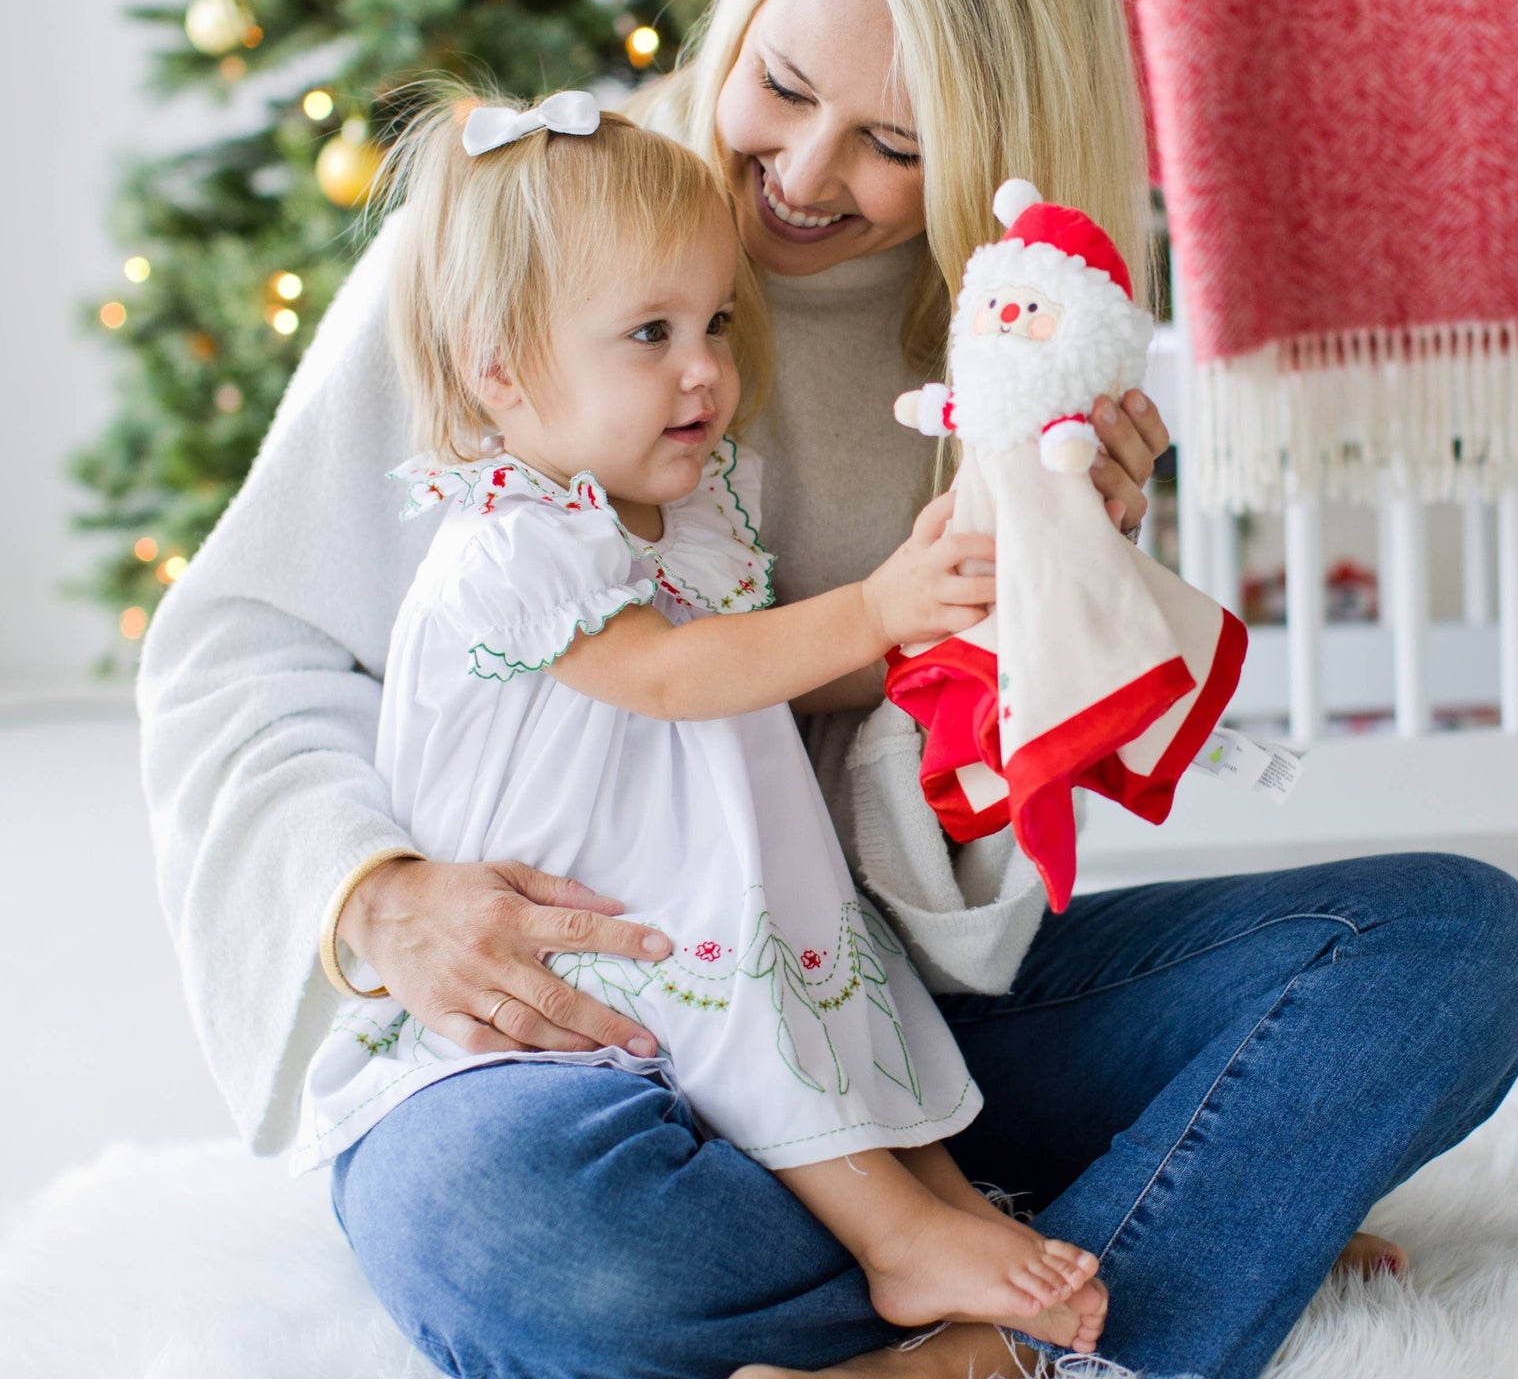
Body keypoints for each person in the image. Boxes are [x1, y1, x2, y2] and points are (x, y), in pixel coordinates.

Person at [140, 0, 1518, 1379]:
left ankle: (971, 1317)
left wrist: (1052, 596)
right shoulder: (525, 236)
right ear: (738, 17)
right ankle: (1130, 1271)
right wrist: (375, 902)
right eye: (781, 87)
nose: (803, 175)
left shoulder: (1009, 362)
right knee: (522, 1223)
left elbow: (950, 863)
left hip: (857, 1004)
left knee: (1453, 944)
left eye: (895, 145)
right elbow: (242, 651)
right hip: (564, 1025)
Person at [293, 87, 1107, 1349]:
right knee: (725, 1005)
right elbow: (677, 676)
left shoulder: (686, 510)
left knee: (850, 987)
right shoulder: (509, 544)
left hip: (725, 876)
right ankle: (898, 1243)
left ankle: (944, 1215)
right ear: (501, 371)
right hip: (592, 919)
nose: (706, 369)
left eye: (716, 321)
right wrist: (879, 606)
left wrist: (935, 630)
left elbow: (768, 674)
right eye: (650, 332)